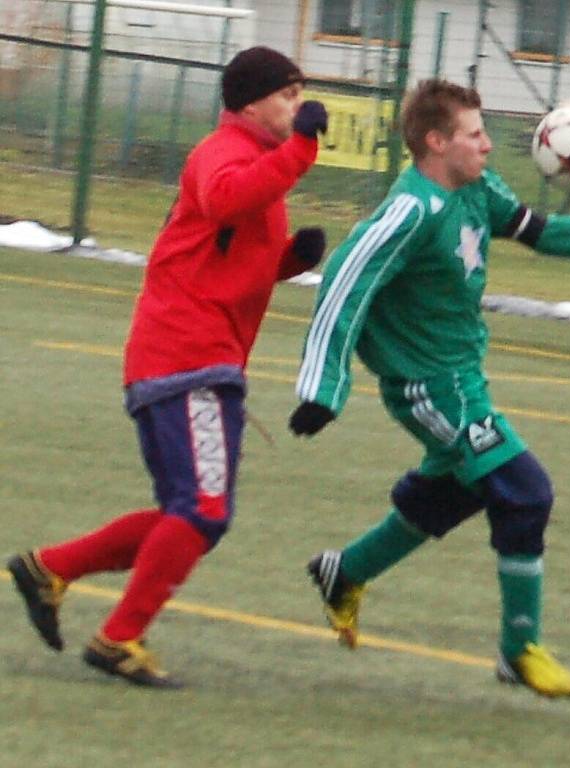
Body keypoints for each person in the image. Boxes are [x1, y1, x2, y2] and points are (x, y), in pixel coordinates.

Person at [288, 79, 570, 698]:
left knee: (460, 489)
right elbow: (344, 281)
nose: (489, 146)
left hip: (464, 377)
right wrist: (322, 389)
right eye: (476, 135)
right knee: (524, 492)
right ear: (437, 142)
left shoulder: (477, 191)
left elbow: (543, 231)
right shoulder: (411, 211)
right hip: (428, 388)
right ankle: (518, 650)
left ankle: (346, 572)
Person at [8, 46, 329, 688]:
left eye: (301, 95)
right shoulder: (225, 152)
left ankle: (50, 568)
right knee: (204, 511)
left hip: (188, 358)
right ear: (250, 103)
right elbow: (224, 201)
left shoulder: (259, 161)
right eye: (288, 95)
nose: (297, 107)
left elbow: (225, 256)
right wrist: (301, 151)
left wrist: (289, 262)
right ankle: (118, 638)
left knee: (183, 512)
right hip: (190, 359)